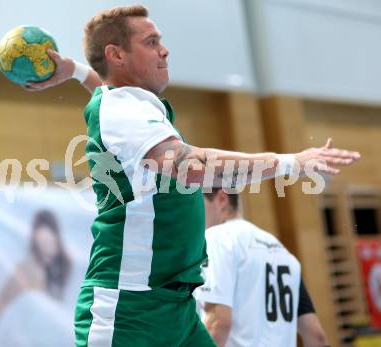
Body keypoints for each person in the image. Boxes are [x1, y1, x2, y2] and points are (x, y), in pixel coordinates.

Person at [24, 5, 360, 346]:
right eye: (151, 41)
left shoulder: (126, 104)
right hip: (128, 309)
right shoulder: (121, 108)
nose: (164, 49)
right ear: (116, 54)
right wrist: (289, 163)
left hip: (176, 306)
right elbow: (192, 167)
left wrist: (78, 71)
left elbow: (107, 85)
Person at [195, 189, 329, 347]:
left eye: (197, 203)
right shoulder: (284, 253)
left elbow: (218, 322)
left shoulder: (216, 238)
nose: (191, 213)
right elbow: (316, 335)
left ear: (222, 199)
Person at [0, 210, 72, 330]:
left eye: (50, 239)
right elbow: (3, 306)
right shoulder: (26, 269)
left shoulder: (65, 265)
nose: (47, 243)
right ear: (35, 240)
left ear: (56, 238)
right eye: (43, 241)